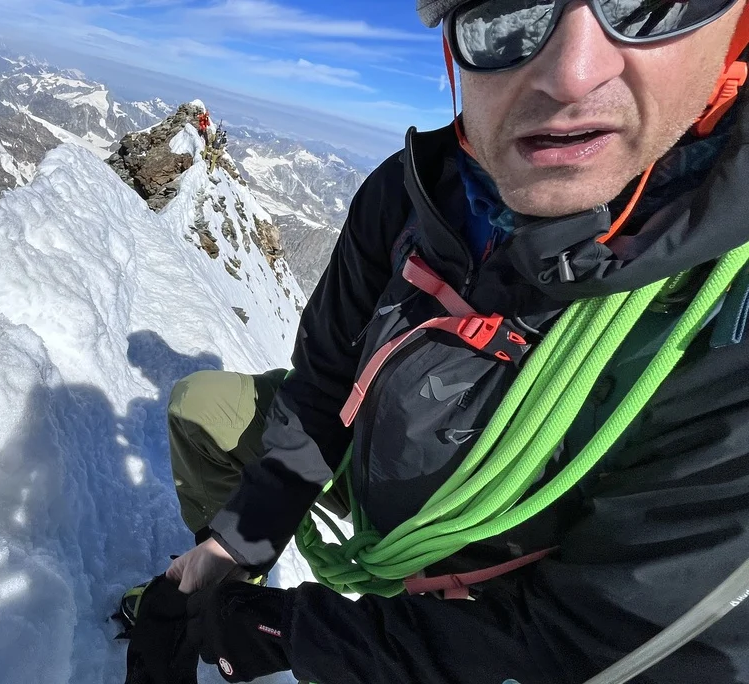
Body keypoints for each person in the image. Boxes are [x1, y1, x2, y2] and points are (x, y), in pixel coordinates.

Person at [121, 1, 749, 683]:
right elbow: (324, 382)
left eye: (648, 5)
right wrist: (230, 549)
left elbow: (596, 639)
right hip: (380, 476)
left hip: (503, 588)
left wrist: (295, 636)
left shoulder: (727, 313)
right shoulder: (414, 193)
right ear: (454, 51)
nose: (573, 73)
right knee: (205, 410)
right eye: (512, 8)